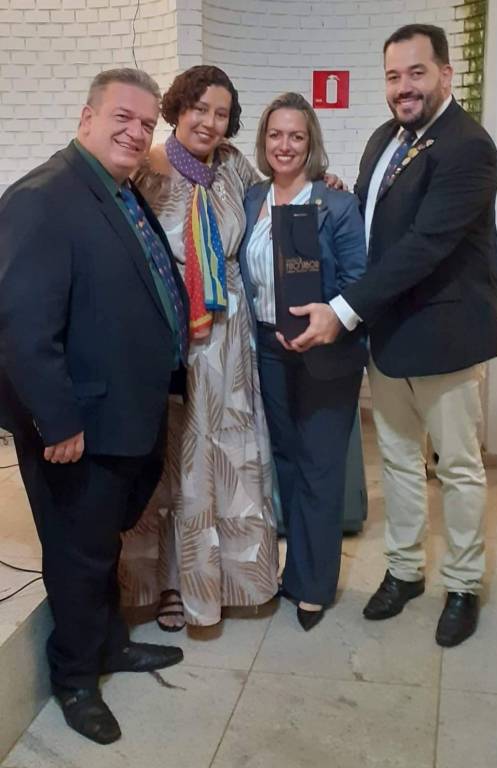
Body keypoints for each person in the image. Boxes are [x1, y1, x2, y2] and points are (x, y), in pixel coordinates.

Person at [277, 25, 497, 647]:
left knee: (457, 467)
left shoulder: (468, 146)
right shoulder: (386, 138)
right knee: (401, 461)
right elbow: (375, 218)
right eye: (393, 75)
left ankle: (462, 584)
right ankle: (405, 571)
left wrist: (343, 310)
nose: (403, 87)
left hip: (444, 335)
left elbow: (425, 245)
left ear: (445, 74)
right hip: (388, 332)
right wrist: (341, 195)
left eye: (416, 72)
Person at [0, 69, 189, 745]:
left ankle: (109, 645)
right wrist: (56, 420)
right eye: (122, 117)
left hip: (124, 410)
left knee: (103, 543)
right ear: (87, 118)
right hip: (77, 424)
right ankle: (76, 679)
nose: (136, 133)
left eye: (146, 124)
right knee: (78, 555)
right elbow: (21, 328)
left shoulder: (117, 189)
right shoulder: (43, 197)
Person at [119, 65, 279, 631]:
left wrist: (322, 182)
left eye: (221, 113)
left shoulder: (233, 166)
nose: (209, 122)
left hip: (230, 339)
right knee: (176, 461)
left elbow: (277, 197)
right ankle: (171, 585)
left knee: (229, 457)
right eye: (199, 108)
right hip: (175, 333)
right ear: (178, 108)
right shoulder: (146, 170)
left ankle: (232, 581)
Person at [238, 92, 367, 630]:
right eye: (275, 134)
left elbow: (359, 280)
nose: (285, 145)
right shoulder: (251, 198)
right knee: (286, 461)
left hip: (327, 353)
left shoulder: (335, 203)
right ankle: (294, 571)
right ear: (263, 141)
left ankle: (314, 585)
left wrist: (328, 320)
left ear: (311, 141)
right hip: (269, 349)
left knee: (320, 465)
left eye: (296, 135)